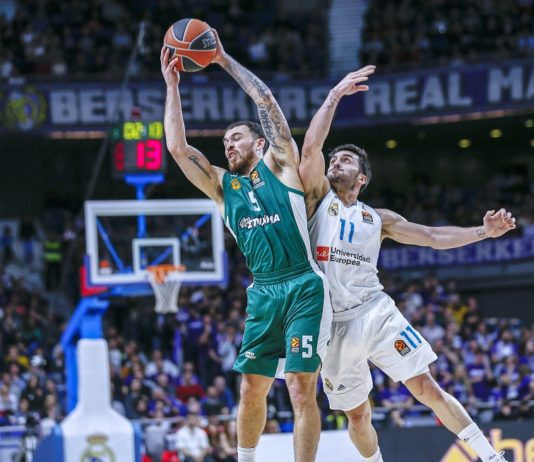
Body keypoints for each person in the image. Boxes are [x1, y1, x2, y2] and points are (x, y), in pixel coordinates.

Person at [299, 65, 515, 462]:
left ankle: (490, 457)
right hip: (332, 324)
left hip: (375, 312)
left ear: (362, 178)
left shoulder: (378, 219)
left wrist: (483, 232)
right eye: (334, 159)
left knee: (426, 387)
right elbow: (311, 148)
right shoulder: (317, 201)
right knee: (358, 416)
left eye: (345, 159)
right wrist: (334, 96)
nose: (335, 162)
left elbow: (432, 237)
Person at [161, 30, 331, 462]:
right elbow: (178, 149)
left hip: (303, 284)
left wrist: (222, 59)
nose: (228, 145)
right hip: (263, 290)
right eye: (224, 143)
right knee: (251, 387)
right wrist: (172, 86)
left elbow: (265, 100)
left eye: (235, 138)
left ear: (259, 143)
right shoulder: (222, 187)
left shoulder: (282, 165)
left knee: (300, 387)